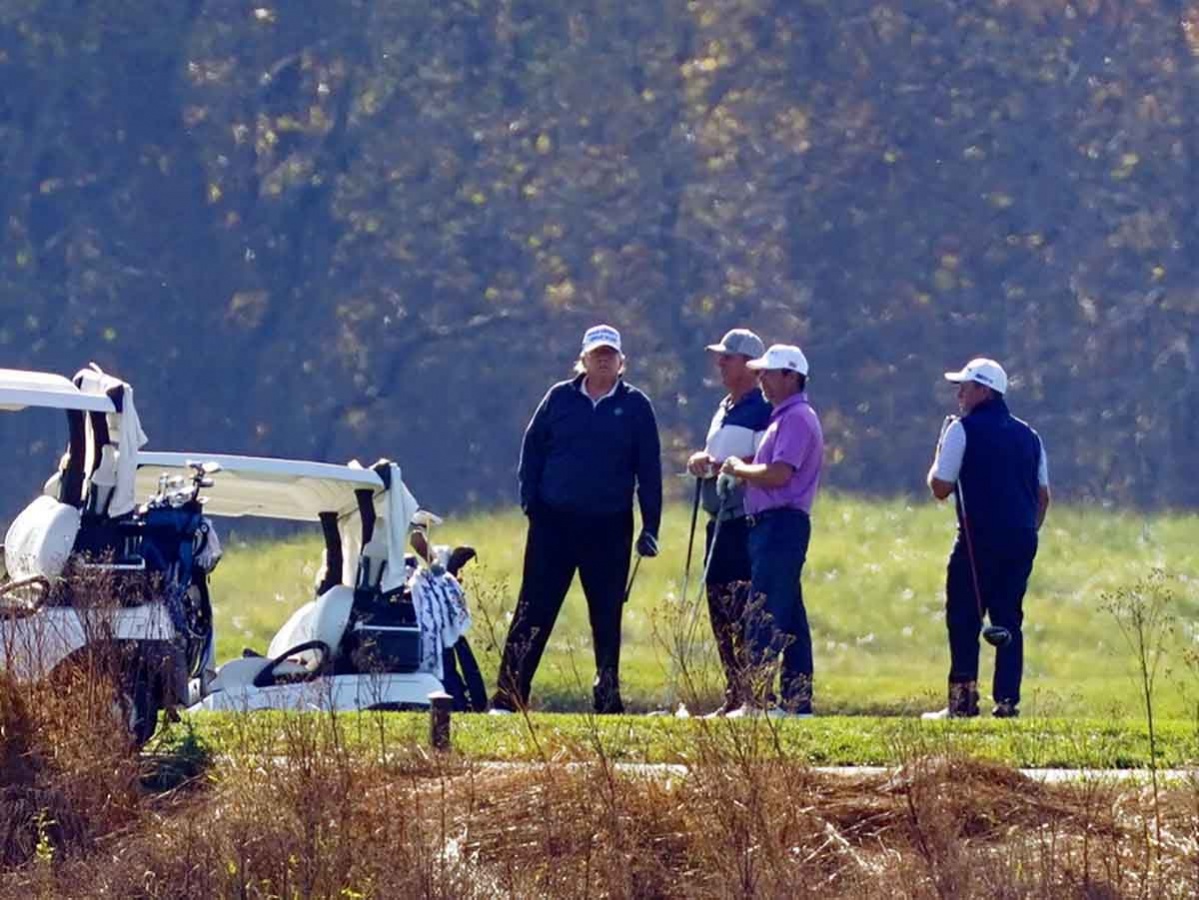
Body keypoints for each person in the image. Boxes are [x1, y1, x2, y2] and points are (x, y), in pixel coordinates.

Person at [492, 324, 663, 714]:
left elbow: (649, 470)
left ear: (622, 363)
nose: (603, 359)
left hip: (610, 525)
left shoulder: (636, 406)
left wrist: (651, 526)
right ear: (583, 359)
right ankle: (508, 696)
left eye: (610, 354)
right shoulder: (559, 399)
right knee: (533, 609)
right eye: (596, 354)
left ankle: (607, 700)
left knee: (606, 614)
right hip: (554, 523)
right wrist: (531, 505)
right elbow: (531, 453)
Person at [923, 358, 1050, 719]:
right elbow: (1043, 497)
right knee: (1008, 618)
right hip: (1022, 538)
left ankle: (962, 705)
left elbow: (941, 487)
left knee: (964, 617)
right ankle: (1007, 703)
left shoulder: (961, 430)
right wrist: (1026, 533)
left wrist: (939, 450)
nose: (959, 393)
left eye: (965, 386)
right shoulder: (1031, 435)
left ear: (984, 391)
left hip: (978, 540)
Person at [720, 344, 823, 718]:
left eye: (769, 373)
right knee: (790, 614)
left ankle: (759, 702)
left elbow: (780, 473)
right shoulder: (783, 417)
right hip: (774, 525)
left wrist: (738, 470)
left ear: (791, 377)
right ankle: (797, 703)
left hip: (781, 523)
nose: (761, 378)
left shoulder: (796, 418)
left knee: (764, 611)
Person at [685, 328, 771, 716]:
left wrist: (725, 467)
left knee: (742, 607)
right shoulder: (725, 407)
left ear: (750, 366)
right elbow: (718, 454)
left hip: (744, 521)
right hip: (717, 520)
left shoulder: (763, 409)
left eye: (728, 357)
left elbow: (765, 461)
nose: (720, 362)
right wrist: (699, 461)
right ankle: (734, 693)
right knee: (719, 607)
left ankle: (754, 694)